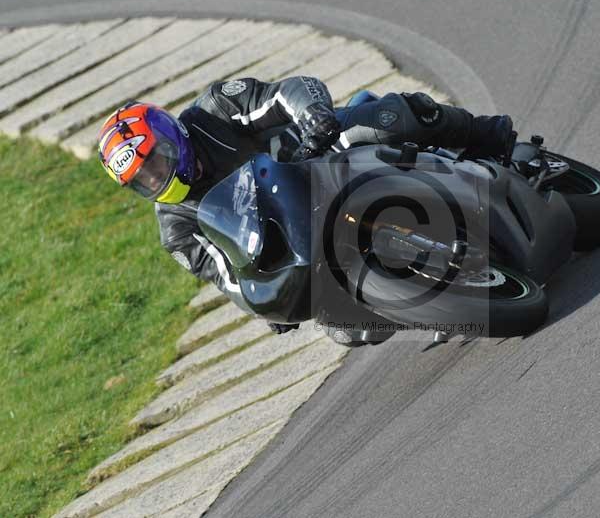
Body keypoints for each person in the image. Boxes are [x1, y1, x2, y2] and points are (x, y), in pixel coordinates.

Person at [98, 75, 514, 335]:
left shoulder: (216, 110)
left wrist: (312, 114)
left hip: (318, 158)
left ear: (171, 136)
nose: (156, 178)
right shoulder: (177, 232)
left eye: (155, 161)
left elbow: (286, 93)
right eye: (142, 180)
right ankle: (429, 306)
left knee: (396, 117)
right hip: (297, 240)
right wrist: (264, 304)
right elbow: (228, 278)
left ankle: (487, 136)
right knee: (342, 328)